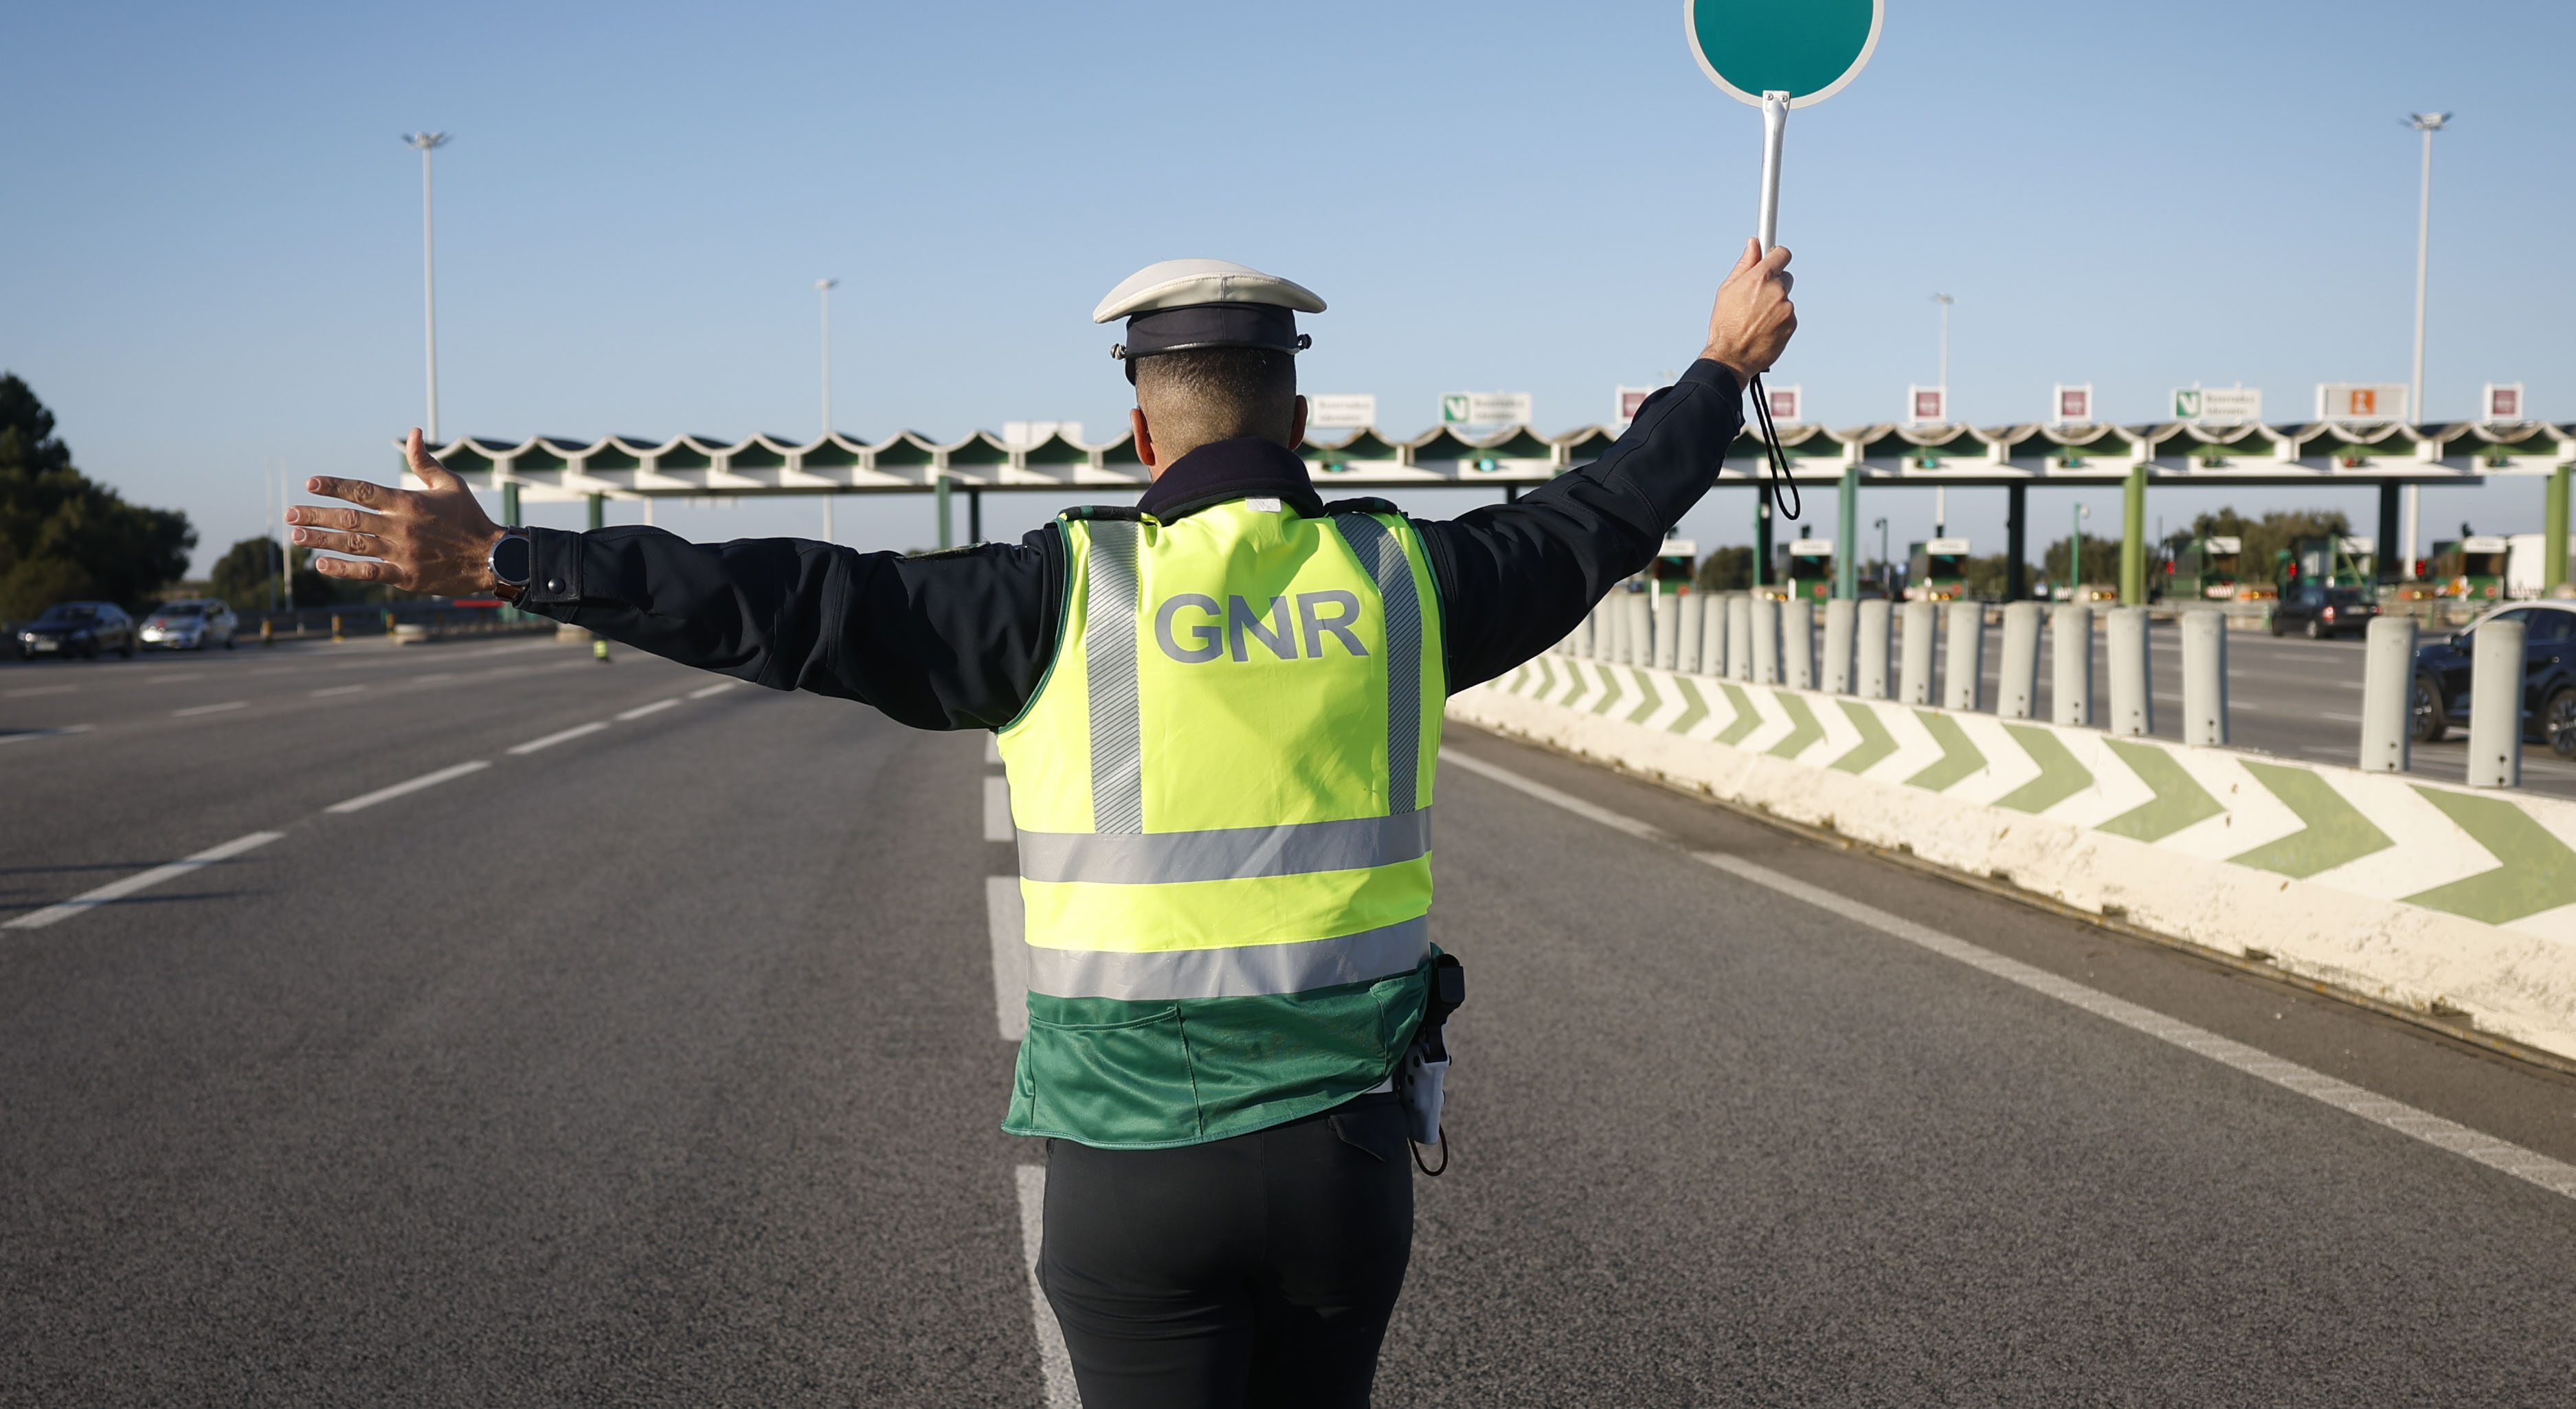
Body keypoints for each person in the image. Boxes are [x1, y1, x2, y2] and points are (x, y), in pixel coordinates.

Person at [289, 238, 1795, 1408]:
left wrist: (509, 556)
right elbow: (1602, 515)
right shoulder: (1410, 585)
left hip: (1134, 1172)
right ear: (1300, 413)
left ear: (1144, 429)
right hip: (1347, 1162)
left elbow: (792, 602)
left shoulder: (1058, 594)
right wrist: (1720, 366)